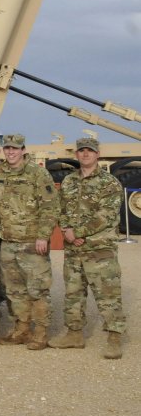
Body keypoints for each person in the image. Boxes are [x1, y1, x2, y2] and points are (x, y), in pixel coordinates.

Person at [48, 138, 126, 359]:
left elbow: (107, 215)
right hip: (74, 249)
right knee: (73, 293)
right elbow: (60, 209)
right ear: (77, 154)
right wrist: (67, 230)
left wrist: (78, 232)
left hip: (99, 249)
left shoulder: (109, 183)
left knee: (108, 294)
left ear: (97, 154)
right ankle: (74, 334)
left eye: (89, 151)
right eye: (81, 151)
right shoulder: (69, 181)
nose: (85, 155)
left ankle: (114, 336)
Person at [0, 134, 58, 350]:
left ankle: (40, 332)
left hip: (31, 242)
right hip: (8, 241)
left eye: (15, 148)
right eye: (7, 148)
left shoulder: (38, 173)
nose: (10, 152)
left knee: (37, 289)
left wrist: (43, 236)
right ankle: (21, 329)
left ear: (23, 150)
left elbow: (50, 206)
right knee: (14, 290)